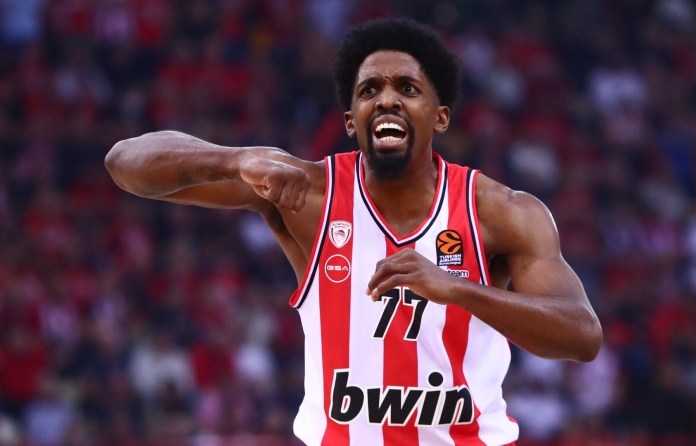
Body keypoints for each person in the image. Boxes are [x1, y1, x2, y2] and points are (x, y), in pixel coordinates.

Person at [105, 17, 602, 446]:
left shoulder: (500, 212)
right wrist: (232, 160)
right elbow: (124, 163)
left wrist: (459, 289)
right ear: (350, 121)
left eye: (407, 88)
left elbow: (582, 335)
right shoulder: (306, 193)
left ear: (440, 117)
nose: (387, 100)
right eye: (369, 90)